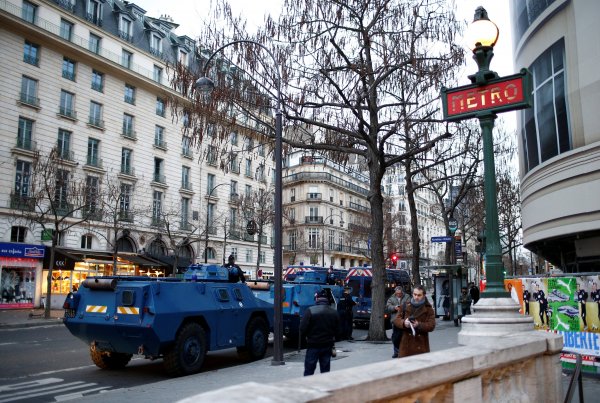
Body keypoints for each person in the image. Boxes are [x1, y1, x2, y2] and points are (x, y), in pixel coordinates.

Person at [300, 289, 340, 376]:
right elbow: (337, 330)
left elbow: (302, 328)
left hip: (313, 344)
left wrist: (307, 336)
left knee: (309, 370)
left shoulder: (310, 310)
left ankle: (308, 387)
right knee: (325, 370)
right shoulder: (334, 312)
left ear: (316, 298)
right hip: (327, 344)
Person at [398, 285, 436, 358]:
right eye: (415, 294)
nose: (416, 297)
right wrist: (404, 323)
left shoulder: (428, 309)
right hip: (406, 345)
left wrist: (419, 325)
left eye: (419, 295)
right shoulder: (405, 305)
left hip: (421, 345)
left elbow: (431, 325)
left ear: (424, 295)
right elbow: (396, 320)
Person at [387, 286, 409, 358]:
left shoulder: (407, 297)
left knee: (404, 336)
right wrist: (394, 308)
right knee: (396, 337)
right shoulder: (391, 298)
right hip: (395, 320)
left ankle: (404, 351)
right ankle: (396, 352)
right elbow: (388, 307)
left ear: (402, 292)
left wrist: (403, 308)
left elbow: (410, 305)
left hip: (404, 320)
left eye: (400, 293)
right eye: (397, 293)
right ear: (395, 293)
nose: (398, 295)